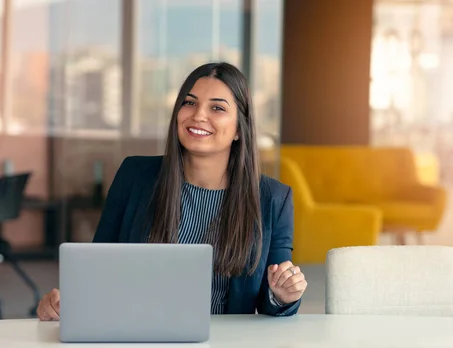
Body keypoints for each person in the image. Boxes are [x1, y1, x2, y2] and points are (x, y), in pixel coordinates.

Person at [37, 62, 307, 320]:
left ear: (239, 129)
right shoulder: (135, 176)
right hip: (138, 338)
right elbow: (98, 270)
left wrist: (282, 295)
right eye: (189, 103)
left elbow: (273, 299)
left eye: (217, 108)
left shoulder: (273, 198)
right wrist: (63, 303)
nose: (198, 115)